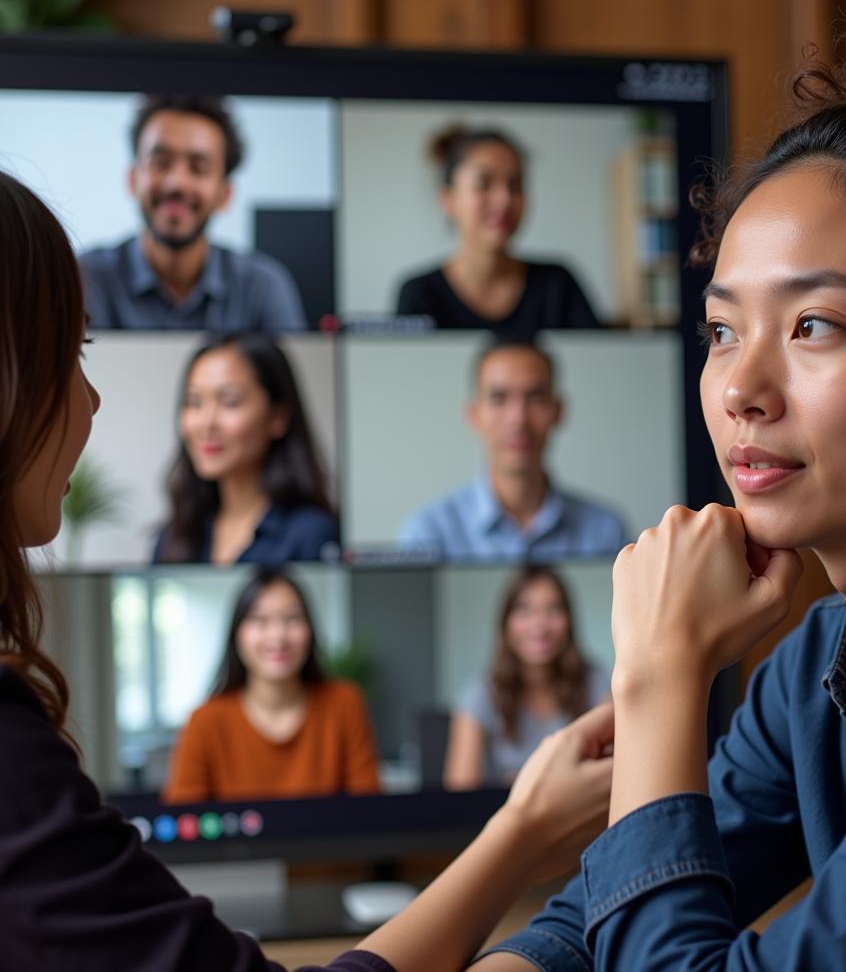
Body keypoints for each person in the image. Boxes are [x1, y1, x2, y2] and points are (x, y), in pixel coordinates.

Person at [476, 24, 846, 969]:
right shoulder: (817, 662)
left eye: (813, 325)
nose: (740, 390)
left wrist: (658, 679)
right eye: (723, 331)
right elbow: (581, 933)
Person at [0, 164, 615, 969]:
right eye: (69, 355)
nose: (92, 400)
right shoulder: (175, 622)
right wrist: (525, 840)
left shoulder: (329, 620)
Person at [79, 94, 307, 331]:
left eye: (199, 168)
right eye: (161, 163)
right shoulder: (86, 279)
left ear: (224, 194)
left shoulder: (263, 287)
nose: (177, 183)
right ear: (133, 180)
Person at [163, 568, 379, 803]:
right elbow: (183, 823)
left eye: (292, 619)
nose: (278, 636)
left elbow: (369, 813)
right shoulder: (204, 721)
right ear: (237, 635)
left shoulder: (344, 704)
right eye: (260, 620)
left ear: (310, 631)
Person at [399, 340, 628, 561]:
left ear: (558, 411)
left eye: (535, 398)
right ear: (474, 414)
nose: (518, 419)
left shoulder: (607, 532)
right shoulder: (428, 534)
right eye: (499, 398)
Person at [395, 125, 603, 335]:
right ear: (448, 199)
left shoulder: (557, 284)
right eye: (483, 184)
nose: (504, 200)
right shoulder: (419, 294)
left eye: (515, 185)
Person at [153, 332, 339, 564]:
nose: (207, 424)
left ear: (278, 417)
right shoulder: (173, 535)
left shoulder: (312, 535)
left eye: (230, 401)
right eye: (194, 402)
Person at [445, 566, 610, 790]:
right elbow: (458, 795)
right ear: (506, 623)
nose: (539, 624)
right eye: (524, 610)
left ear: (569, 620)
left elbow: (615, 772)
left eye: (553, 609)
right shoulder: (480, 694)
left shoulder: (596, 681)